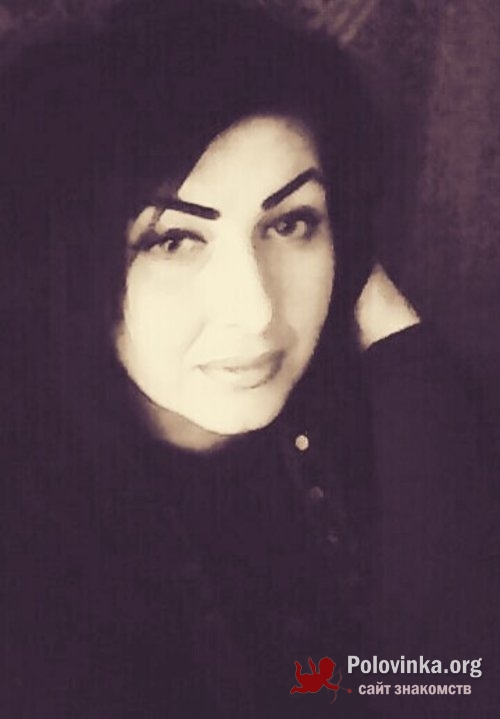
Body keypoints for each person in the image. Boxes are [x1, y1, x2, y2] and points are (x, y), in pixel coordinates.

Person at [1, 0, 498, 716]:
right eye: (173, 240)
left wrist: (404, 356)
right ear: (64, 264)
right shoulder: (31, 551)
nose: (257, 308)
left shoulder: (366, 424)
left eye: (292, 222)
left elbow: (446, 677)